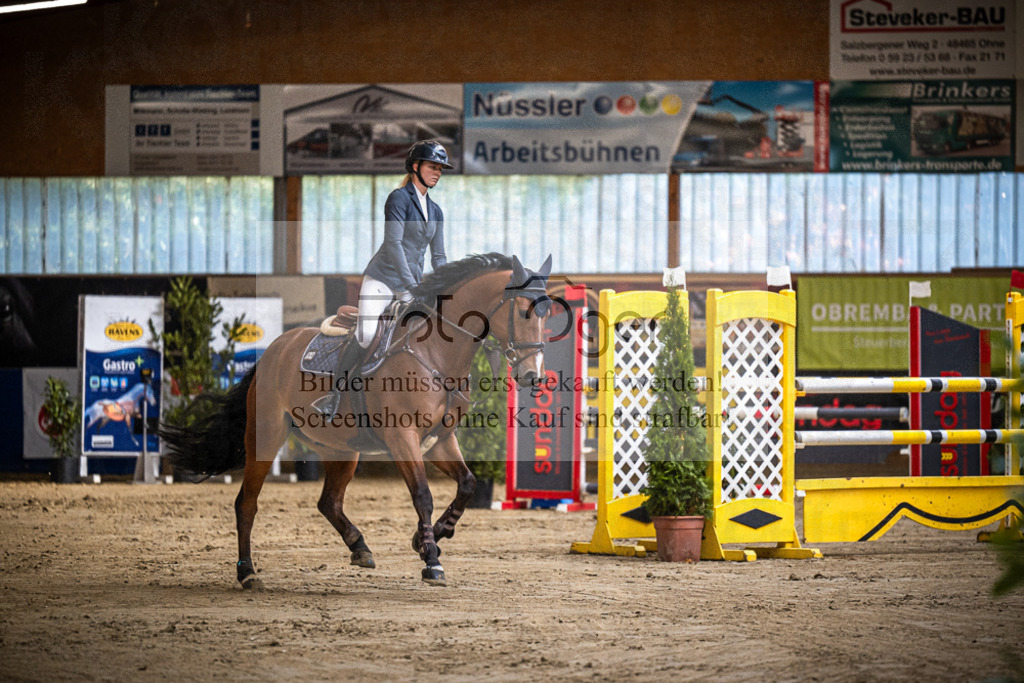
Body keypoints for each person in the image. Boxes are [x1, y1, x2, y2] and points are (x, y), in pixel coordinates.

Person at [315, 139, 453, 416]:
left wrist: (445, 284)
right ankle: (334, 396)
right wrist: (412, 286)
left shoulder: (436, 211)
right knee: (366, 335)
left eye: (440, 168)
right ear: (415, 167)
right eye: (432, 166)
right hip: (382, 280)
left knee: (426, 335)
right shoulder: (399, 198)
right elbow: (394, 245)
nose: (437, 172)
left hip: (412, 284)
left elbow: (438, 256)